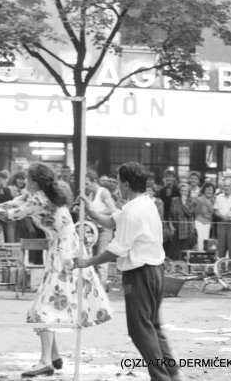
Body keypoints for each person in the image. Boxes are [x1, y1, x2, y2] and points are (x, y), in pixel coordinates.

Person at [0, 162, 112, 377]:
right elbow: (7, 206)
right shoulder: (34, 195)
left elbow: (10, 216)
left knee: (47, 305)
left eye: (28, 178)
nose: (25, 182)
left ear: (35, 180)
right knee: (46, 299)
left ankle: (45, 361)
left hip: (64, 250)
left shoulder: (40, 198)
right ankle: (53, 355)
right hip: (61, 247)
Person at [74, 162, 184, 381]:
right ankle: (173, 373)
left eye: (118, 183)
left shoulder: (133, 211)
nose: (117, 189)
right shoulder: (145, 204)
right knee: (153, 327)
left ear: (125, 184)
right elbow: (112, 221)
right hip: (155, 272)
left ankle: (160, 376)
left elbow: (116, 249)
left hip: (140, 275)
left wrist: (88, 261)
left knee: (140, 330)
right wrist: (91, 211)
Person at [85, 169, 118, 286]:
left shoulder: (103, 192)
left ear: (94, 181)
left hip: (104, 229)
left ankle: (102, 287)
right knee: (92, 259)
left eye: (87, 183)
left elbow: (112, 209)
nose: (85, 186)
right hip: (92, 230)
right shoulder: (89, 195)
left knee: (102, 259)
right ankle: (94, 287)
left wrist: (96, 214)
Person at [213, 176, 231, 261]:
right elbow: (215, 211)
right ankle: (220, 270)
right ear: (222, 187)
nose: (226, 187)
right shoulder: (218, 197)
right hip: (221, 224)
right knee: (221, 249)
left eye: (228, 186)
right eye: (225, 186)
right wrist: (223, 217)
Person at [169, 183, 196, 255]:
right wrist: (170, 225)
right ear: (180, 191)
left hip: (186, 229)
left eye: (186, 191)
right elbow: (170, 214)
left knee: (184, 251)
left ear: (188, 192)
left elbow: (189, 213)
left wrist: (184, 203)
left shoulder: (192, 201)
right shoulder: (174, 200)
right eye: (182, 190)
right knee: (174, 251)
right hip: (175, 228)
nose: (184, 192)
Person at [192, 183, 215, 251]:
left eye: (211, 190)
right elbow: (195, 213)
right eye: (207, 189)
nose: (209, 191)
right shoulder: (199, 200)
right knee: (199, 241)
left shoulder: (213, 201)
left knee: (206, 242)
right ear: (204, 190)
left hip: (208, 224)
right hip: (199, 223)